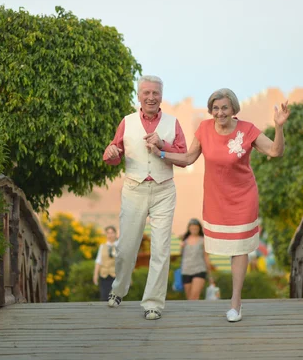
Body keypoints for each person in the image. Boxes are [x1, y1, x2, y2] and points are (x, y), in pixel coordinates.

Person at [147, 88, 289, 322]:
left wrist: (280, 126)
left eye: (224, 107)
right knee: (226, 247)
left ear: (233, 109)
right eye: (215, 108)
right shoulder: (204, 129)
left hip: (244, 196)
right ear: (210, 110)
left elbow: (275, 151)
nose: (219, 112)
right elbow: (188, 158)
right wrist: (161, 153)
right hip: (216, 197)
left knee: (240, 248)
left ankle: (236, 303)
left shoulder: (248, 130)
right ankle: (234, 301)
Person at [102, 75, 187, 320]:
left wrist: (163, 145)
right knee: (126, 247)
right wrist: (110, 153)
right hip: (134, 188)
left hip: (164, 189)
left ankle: (153, 303)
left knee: (161, 248)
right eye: (146, 93)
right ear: (139, 96)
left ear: (161, 96)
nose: (151, 97)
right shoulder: (127, 122)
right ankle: (118, 289)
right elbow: (114, 155)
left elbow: (183, 157)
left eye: (155, 93)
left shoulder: (173, 123)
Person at [180, 218, 214, 300]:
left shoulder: (203, 241)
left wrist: (210, 275)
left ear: (199, 228)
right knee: (189, 298)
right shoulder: (184, 241)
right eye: (192, 227)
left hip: (199, 270)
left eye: (196, 227)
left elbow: (206, 257)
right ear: (189, 228)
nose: (194, 229)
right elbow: (182, 256)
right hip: (186, 270)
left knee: (194, 297)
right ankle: (190, 313)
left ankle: (194, 313)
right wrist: (181, 247)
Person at [93, 225, 118, 301]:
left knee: (115, 298)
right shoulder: (102, 246)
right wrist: (95, 275)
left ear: (115, 234)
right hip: (104, 276)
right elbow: (98, 261)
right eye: (108, 233)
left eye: (112, 233)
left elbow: (123, 262)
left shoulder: (119, 246)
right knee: (104, 297)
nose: (110, 235)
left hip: (115, 275)